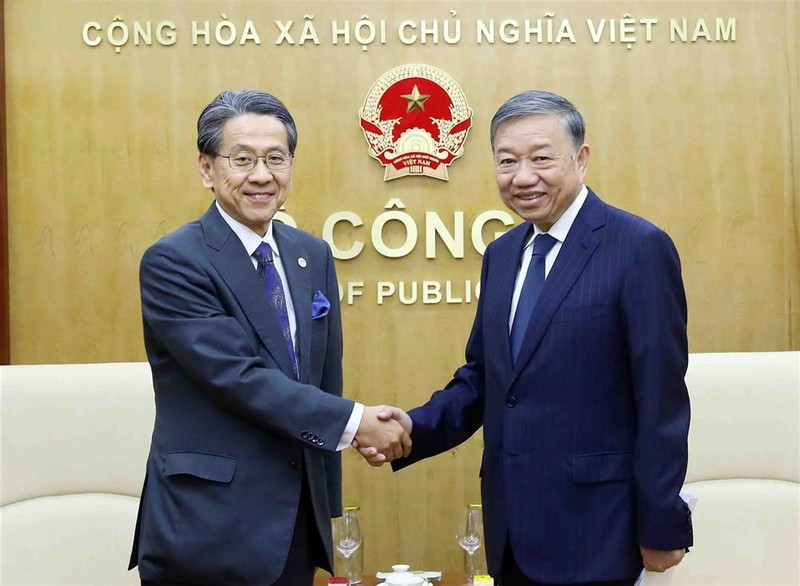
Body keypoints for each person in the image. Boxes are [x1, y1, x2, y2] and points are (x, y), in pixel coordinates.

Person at [359, 90, 693, 585]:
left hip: (600, 533)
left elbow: (662, 397)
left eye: (541, 158)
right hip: (511, 534)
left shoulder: (638, 247)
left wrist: (662, 522)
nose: (523, 177)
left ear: (581, 159)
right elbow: (485, 380)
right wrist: (412, 427)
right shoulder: (502, 254)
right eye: (507, 161)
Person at [129, 89, 410, 586]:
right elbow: (237, 376)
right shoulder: (175, 261)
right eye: (242, 159)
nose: (262, 175)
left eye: (276, 158)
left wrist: (327, 503)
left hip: (292, 527)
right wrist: (356, 424)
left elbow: (323, 375)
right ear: (207, 168)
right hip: (205, 529)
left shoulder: (312, 254)